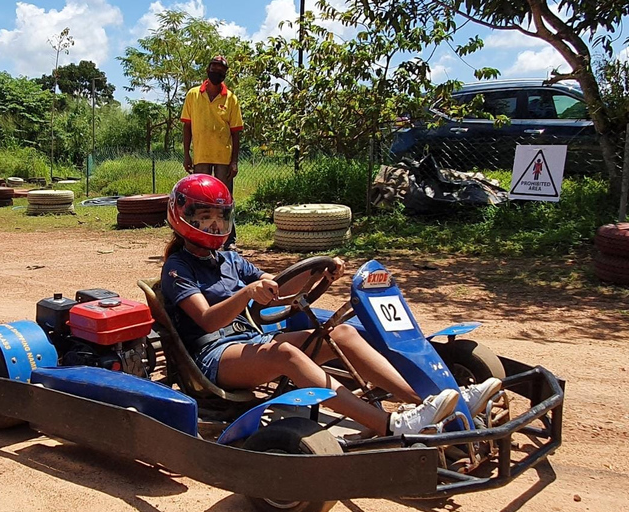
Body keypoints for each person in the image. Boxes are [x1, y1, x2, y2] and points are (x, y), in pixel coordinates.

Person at [161, 174, 502, 436]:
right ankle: (390, 424)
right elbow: (206, 320)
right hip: (213, 357)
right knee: (286, 354)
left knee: (341, 333)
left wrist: (317, 268)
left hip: (248, 343)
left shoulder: (229, 259)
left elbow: (278, 291)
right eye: (205, 216)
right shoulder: (178, 267)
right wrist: (247, 293)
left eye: (220, 216)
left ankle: (429, 403)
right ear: (183, 216)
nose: (215, 225)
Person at [180, 55, 242, 251]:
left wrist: (234, 161)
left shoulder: (231, 98)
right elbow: (187, 127)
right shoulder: (193, 95)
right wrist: (187, 154)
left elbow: (236, 132)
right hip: (201, 156)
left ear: (225, 73)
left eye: (220, 69)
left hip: (223, 157)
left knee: (224, 199)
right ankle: (199, 238)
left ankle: (229, 240)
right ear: (207, 70)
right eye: (213, 67)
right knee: (200, 199)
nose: (216, 71)